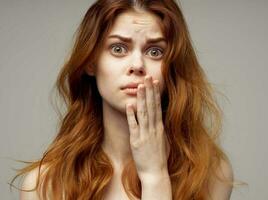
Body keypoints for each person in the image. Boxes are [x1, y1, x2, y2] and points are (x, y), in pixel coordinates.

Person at [11, 0, 236, 199]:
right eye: (118, 48)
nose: (137, 65)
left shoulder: (212, 175)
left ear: (172, 68)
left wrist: (155, 177)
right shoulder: (43, 185)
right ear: (91, 62)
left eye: (155, 52)